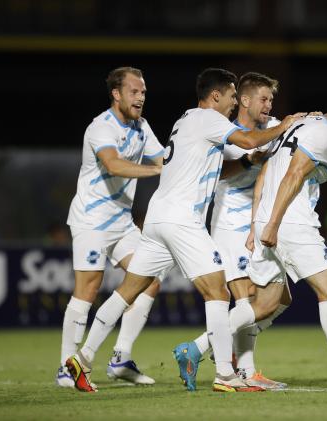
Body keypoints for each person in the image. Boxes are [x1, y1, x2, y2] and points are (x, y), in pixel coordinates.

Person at [65, 68, 304, 393]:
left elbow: (220, 170)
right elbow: (248, 139)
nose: (235, 103)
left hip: (157, 217)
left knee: (127, 291)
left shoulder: (186, 120)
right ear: (216, 96)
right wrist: (285, 124)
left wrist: (250, 162)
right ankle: (225, 375)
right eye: (233, 96)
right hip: (181, 219)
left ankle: (84, 357)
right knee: (217, 292)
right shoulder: (210, 119)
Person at [230, 92, 327, 391]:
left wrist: (259, 222)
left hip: (271, 218)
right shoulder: (323, 132)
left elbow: (267, 172)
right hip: (290, 221)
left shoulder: (304, 125)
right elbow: (293, 174)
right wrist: (273, 223)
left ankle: (198, 347)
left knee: (268, 301)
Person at [175, 72, 289, 390]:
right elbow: (220, 173)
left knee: (280, 298)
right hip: (228, 223)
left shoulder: (273, 127)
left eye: (272, 100)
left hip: (259, 223)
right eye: (263, 99)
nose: (269, 105)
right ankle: (241, 368)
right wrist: (252, 161)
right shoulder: (226, 132)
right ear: (246, 101)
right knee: (248, 300)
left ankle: (204, 348)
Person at [58, 67, 164, 389]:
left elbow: (164, 160)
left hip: (121, 221)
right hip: (91, 220)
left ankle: (120, 358)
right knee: (88, 289)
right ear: (116, 94)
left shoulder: (142, 127)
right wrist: (155, 170)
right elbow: (113, 164)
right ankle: (66, 366)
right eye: (134, 91)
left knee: (150, 279)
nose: (140, 97)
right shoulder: (100, 127)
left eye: (143, 92)